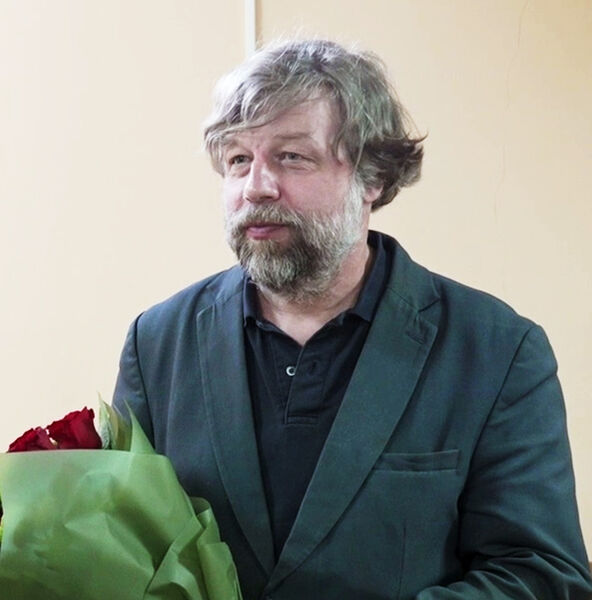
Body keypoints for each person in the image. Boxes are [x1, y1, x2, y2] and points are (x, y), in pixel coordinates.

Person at [113, 39, 592, 599]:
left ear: (373, 177)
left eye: (292, 156)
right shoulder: (157, 342)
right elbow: (120, 549)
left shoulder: (497, 351)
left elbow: (540, 574)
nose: (256, 186)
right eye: (239, 160)